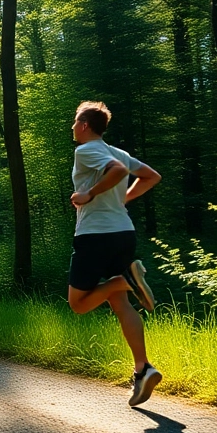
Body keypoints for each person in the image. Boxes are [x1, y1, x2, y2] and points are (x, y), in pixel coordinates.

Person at [66, 101, 163, 407]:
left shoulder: (87, 150)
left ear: (84, 126)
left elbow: (118, 171)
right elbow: (150, 176)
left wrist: (88, 194)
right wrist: (123, 200)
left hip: (96, 235)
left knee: (79, 304)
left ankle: (125, 281)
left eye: (74, 122)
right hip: (123, 233)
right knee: (119, 304)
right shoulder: (116, 150)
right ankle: (142, 368)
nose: (72, 127)